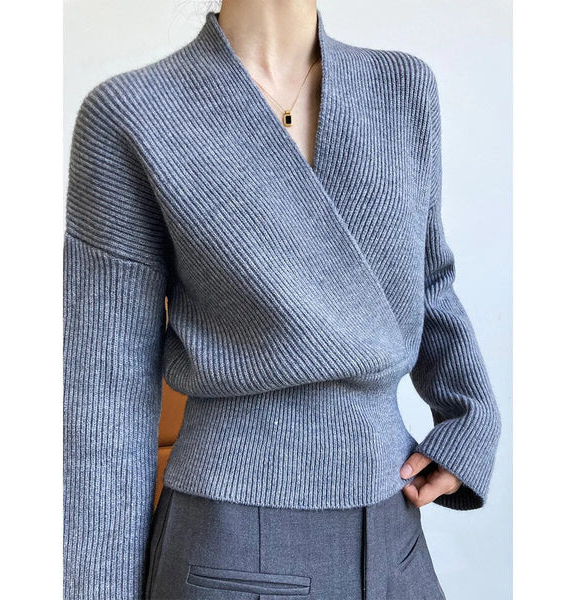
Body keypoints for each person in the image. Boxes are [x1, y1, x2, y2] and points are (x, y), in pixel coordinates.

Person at [62, 1, 502, 599]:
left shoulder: (403, 90)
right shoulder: (132, 113)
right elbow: (103, 391)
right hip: (230, 541)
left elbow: (428, 281)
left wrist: (471, 418)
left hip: (393, 525)